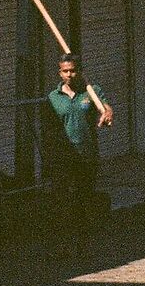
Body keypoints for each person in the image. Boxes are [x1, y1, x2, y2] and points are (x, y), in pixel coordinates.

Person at [44, 53, 113, 237]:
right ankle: (63, 239)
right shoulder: (53, 97)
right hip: (63, 156)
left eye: (73, 71)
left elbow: (106, 107)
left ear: (79, 71)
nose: (69, 75)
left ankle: (83, 238)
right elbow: (48, 129)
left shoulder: (91, 92)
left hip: (86, 155)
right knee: (62, 199)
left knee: (83, 196)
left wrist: (106, 114)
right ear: (60, 73)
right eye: (65, 71)